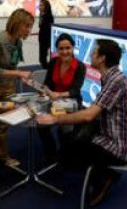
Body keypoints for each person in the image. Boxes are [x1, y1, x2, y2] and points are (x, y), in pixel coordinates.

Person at [37, 39, 127, 206]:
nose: (91, 54)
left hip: (118, 147)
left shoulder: (115, 81)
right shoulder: (112, 77)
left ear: (102, 58)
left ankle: (105, 177)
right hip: (110, 134)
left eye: (94, 52)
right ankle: (99, 171)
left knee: (67, 155)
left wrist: (55, 118)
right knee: (73, 140)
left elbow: (89, 115)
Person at [0, 8, 34, 185]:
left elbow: (12, 66)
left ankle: (3, 157)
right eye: (27, 26)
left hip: (7, 88)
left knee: (4, 125)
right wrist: (19, 74)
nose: (29, 31)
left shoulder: (17, 42)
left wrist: (19, 77)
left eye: (31, 27)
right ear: (17, 24)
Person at [37, 33, 86, 165]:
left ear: (73, 48)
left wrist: (58, 95)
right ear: (57, 50)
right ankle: (51, 154)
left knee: (65, 129)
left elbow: (76, 90)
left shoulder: (80, 66)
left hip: (71, 102)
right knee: (40, 124)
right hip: (52, 99)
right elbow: (47, 83)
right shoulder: (53, 62)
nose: (65, 52)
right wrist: (44, 91)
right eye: (61, 49)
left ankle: (66, 157)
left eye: (68, 48)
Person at [38, 0, 54, 69]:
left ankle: (47, 71)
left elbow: (47, 29)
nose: (40, 7)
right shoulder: (41, 15)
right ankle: (47, 70)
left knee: (43, 59)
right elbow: (41, 26)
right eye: (40, 5)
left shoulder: (49, 16)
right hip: (42, 39)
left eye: (42, 5)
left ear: (46, 6)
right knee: (42, 58)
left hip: (46, 39)